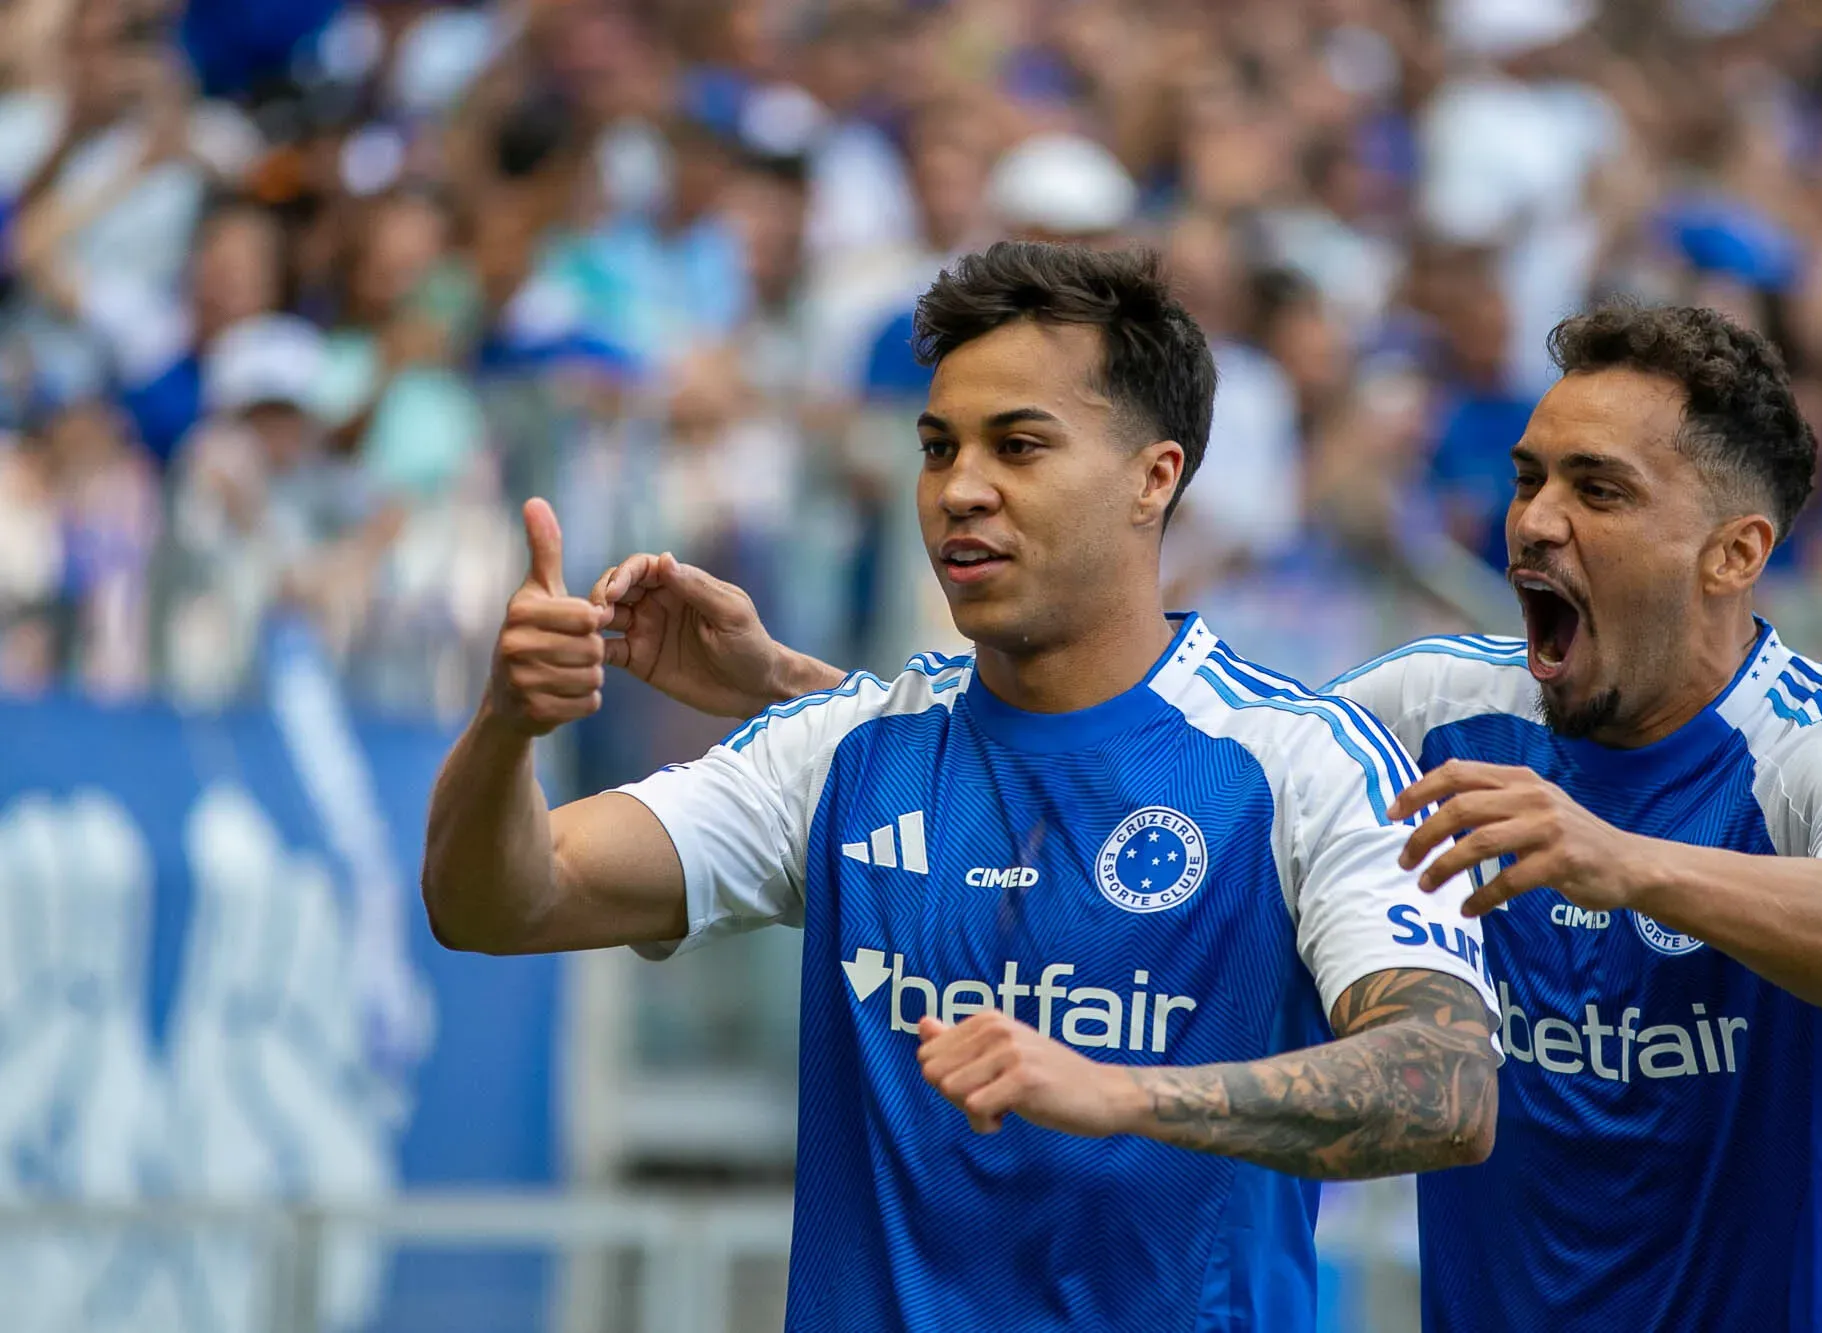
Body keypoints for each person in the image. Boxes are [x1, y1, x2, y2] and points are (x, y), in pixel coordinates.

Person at [643, 301, 1822, 1332]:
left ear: (1736, 553)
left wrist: (1621, 859)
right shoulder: (1427, 709)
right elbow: (1180, 754)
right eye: (1529, 477)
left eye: (1600, 490)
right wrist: (808, 696)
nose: (1535, 521)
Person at [421, 242, 1501, 1332]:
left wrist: (1118, 1093)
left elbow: (1447, 1085)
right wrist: (508, 723)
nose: (959, 490)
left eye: (1018, 446)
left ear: (1153, 476)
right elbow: (499, 901)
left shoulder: (1305, 764)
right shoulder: (847, 749)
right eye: (937, 448)